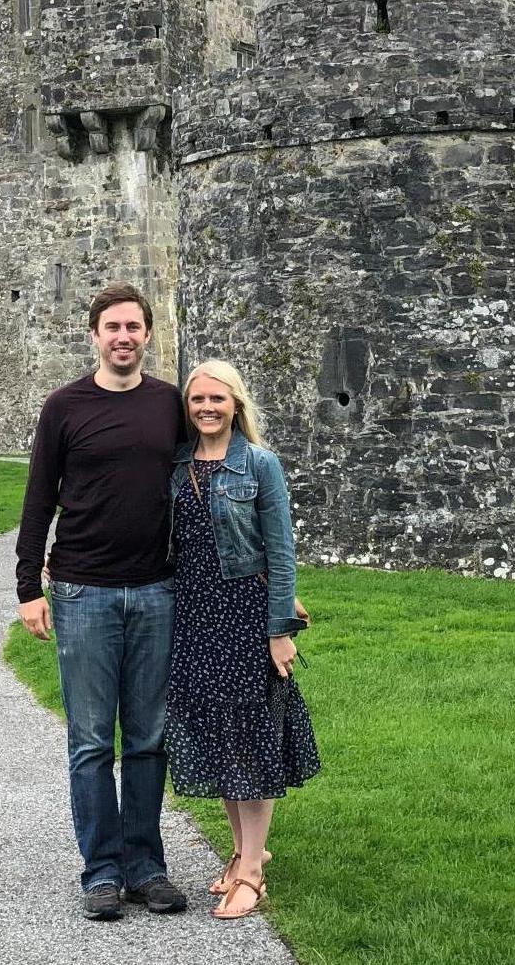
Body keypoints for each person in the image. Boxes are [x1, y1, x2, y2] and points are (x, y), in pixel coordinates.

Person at [15, 283, 189, 920]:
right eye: (111, 327)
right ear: (93, 336)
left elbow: (202, 483)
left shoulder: (168, 404)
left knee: (147, 738)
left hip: (155, 591)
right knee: (91, 741)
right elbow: (38, 501)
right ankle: (102, 872)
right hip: (83, 590)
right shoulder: (64, 408)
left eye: (133, 328)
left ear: (148, 335)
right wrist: (28, 588)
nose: (123, 337)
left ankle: (147, 867)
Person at [166, 359, 320, 920]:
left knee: (251, 738)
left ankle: (253, 872)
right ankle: (239, 852)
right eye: (197, 400)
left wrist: (281, 630)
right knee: (219, 734)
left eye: (217, 399)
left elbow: (280, 554)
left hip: (244, 618)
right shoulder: (178, 464)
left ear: (236, 405)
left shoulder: (259, 465)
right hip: (193, 619)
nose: (206, 408)